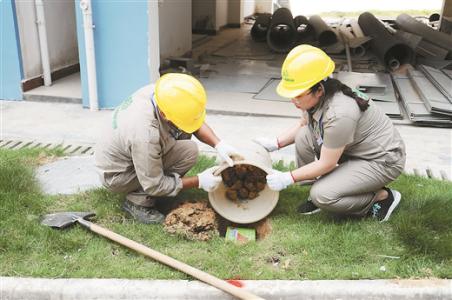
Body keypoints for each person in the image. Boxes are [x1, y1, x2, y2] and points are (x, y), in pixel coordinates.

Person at [254, 45, 406, 222]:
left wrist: (288, 177)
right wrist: (275, 143)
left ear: (318, 89)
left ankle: (381, 197)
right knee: (303, 135)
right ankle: (322, 186)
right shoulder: (321, 95)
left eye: (298, 95)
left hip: (381, 160)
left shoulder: (339, 113)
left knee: (323, 196)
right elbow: (303, 124)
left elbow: (327, 163)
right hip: (354, 149)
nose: (293, 100)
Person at [95, 73, 240, 224]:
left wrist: (219, 144)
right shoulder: (145, 134)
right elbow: (154, 184)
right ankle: (137, 202)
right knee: (184, 155)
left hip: (129, 152)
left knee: (186, 140)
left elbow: (193, 121)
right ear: (164, 115)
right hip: (118, 174)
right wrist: (199, 181)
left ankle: (159, 184)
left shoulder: (163, 94)